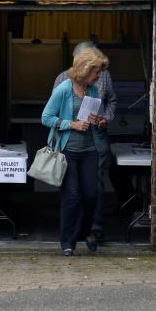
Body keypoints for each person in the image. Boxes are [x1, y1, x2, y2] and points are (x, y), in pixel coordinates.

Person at [43, 47, 109, 255]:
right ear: (85, 70)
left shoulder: (93, 91)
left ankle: (85, 231)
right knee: (71, 196)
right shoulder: (64, 89)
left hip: (90, 149)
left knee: (92, 195)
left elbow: (93, 117)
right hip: (68, 152)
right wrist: (71, 125)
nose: (99, 76)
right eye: (96, 72)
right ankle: (68, 243)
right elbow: (46, 118)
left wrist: (100, 121)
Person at [54, 41, 117, 241]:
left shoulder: (104, 76)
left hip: (96, 141)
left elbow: (112, 100)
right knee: (72, 191)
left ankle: (94, 230)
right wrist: (71, 124)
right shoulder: (63, 79)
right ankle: (72, 235)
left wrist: (105, 118)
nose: (97, 73)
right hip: (70, 143)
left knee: (95, 187)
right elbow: (52, 112)